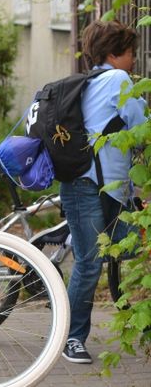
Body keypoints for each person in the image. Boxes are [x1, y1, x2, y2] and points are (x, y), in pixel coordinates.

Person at [60, 20, 147, 364]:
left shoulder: (88, 81)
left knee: (125, 246)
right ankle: (70, 338)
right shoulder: (117, 80)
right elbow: (141, 129)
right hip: (89, 186)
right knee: (89, 262)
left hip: (106, 188)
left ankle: (78, 239)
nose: (134, 60)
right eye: (130, 53)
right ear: (114, 54)